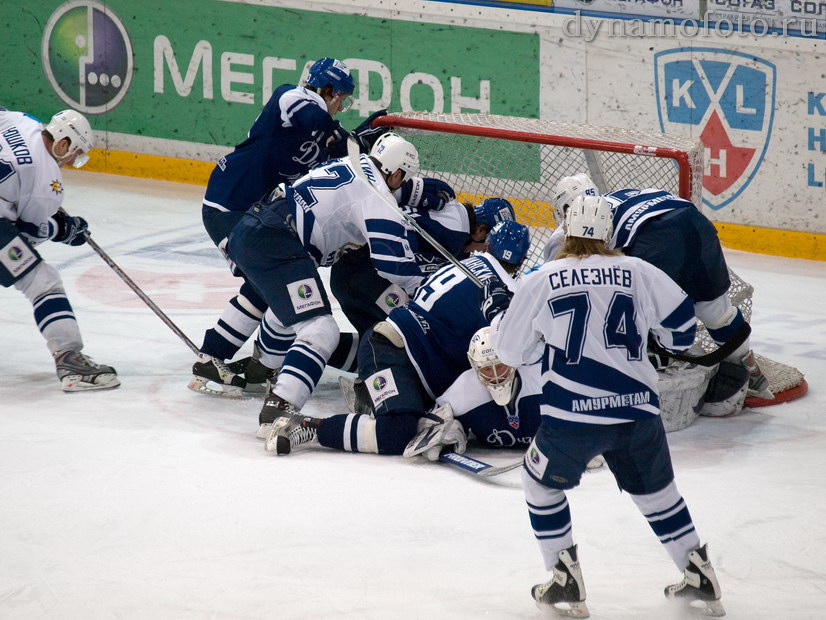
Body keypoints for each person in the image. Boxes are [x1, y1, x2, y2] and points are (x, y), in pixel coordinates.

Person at [488, 195, 724, 617]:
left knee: (540, 484)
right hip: (639, 412)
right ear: (610, 232)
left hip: (573, 416)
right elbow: (683, 332)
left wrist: (540, 340)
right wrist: (659, 343)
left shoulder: (542, 277)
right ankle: (698, 573)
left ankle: (563, 579)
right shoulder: (641, 271)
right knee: (658, 494)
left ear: (568, 232)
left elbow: (508, 350)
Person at [189, 57, 387, 397]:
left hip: (256, 212)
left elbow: (345, 152)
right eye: (340, 97)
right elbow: (311, 115)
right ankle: (221, 354)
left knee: (266, 281)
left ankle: (239, 359)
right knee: (266, 280)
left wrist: (371, 130)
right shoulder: (291, 97)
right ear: (324, 89)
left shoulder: (320, 127)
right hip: (230, 204)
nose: (342, 106)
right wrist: (335, 131)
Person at [264, 219, 531, 456]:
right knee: (397, 432)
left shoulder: (464, 261)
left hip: (398, 347)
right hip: (393, 352)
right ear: (521, 260)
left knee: (420, 414)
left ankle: (367, 391)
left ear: (488, 245)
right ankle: (307, 426)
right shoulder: (507, 296)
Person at [223, 131, 424, 440]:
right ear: (395, 172)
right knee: (321, 328)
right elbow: (392, 264)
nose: (403, 183)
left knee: (290, 311)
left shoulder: (354, 163)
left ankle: (261, 370)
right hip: (277, 239)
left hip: (257, 224)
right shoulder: (377, 194)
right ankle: (280, 405)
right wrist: (425, 293)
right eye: (404, 177)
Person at [550, 172, 772, 406]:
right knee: (716, 311)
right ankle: (751, 370)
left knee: (637, 310)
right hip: (695, 222)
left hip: (652, 239)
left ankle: (652, 362)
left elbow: (567, 282)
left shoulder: (571, 226)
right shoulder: (621, 194)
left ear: (563, 209)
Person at [0, 108, 119, 391]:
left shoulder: (22, 120)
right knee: (42, 281)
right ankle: (69, 357)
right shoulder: (47, 183)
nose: (71, 160)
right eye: (74, 153)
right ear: (62, 143)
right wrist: (64, 229)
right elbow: (27, 234)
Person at [330, 194, 514, 336]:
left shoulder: (456, 231)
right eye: (493, 239)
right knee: (411, 330)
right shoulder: (454, 234)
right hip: (364, 275)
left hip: (349, 271)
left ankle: (321, 349)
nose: (492, 247)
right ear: (481, 231)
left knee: (374, 338)